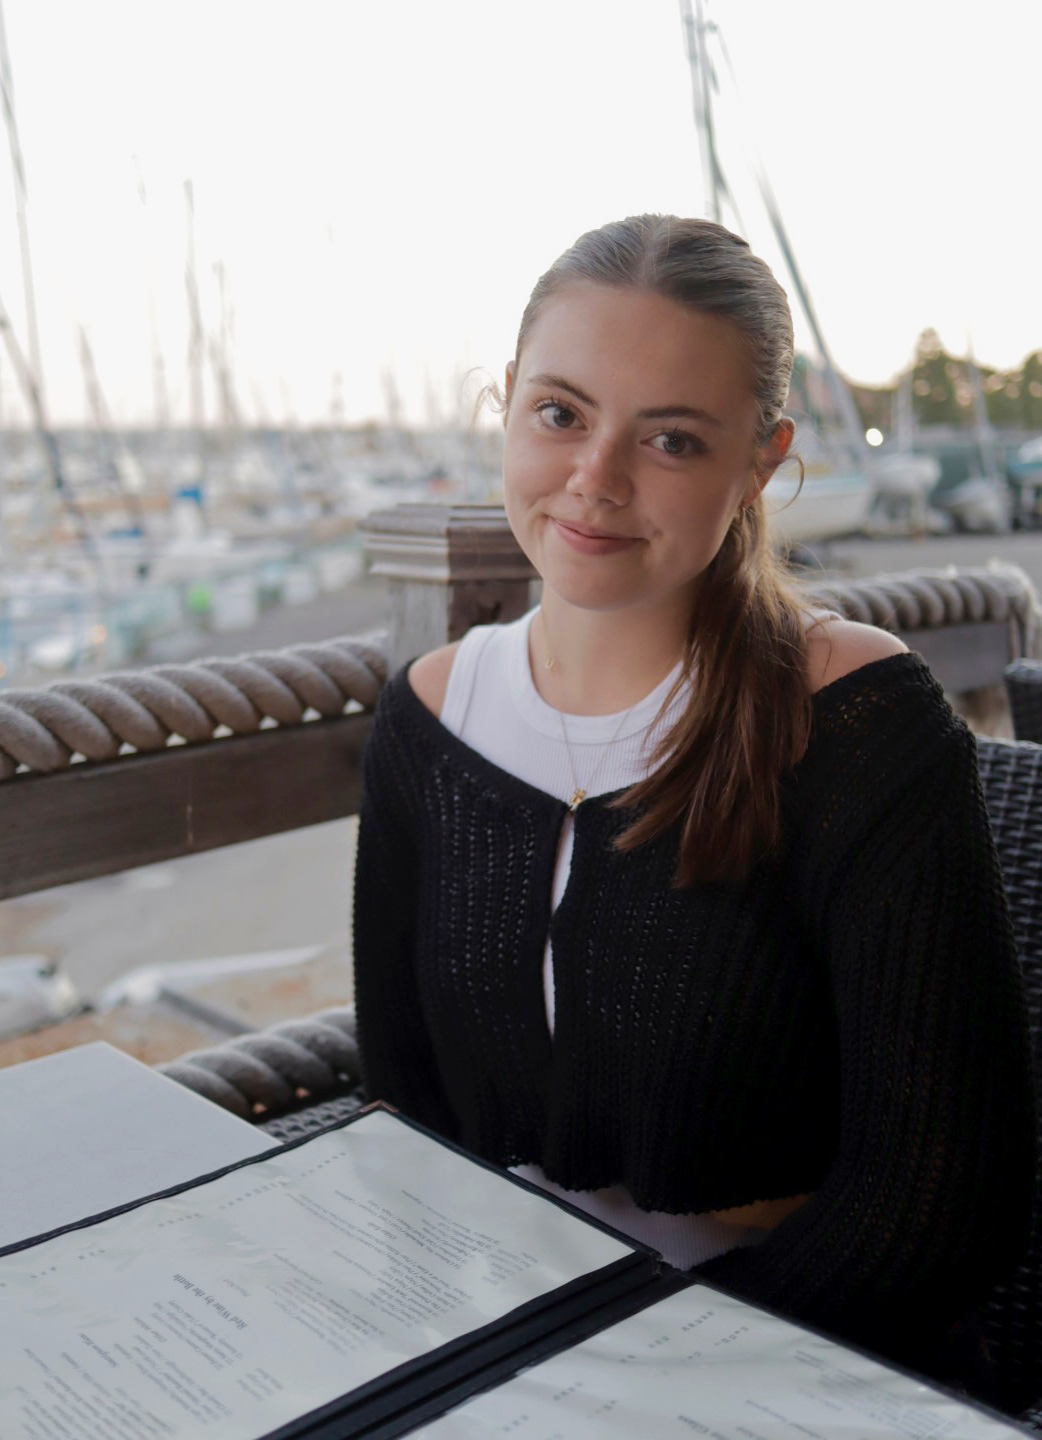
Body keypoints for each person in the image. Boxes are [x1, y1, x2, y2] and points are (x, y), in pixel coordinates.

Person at [351, 215, 1035, 1382]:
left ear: (760, 462)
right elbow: (405, 1105)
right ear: (509, 402)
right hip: (507, 1338)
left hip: (806, 1359)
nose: (594, 482)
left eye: (670, 440)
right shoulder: (426, 719)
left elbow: (939, 1193)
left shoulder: (856, 722)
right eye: (560, 414)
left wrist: (649, 1368)